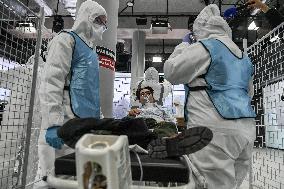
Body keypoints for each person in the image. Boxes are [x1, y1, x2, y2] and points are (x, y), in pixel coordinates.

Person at [164, 4, 256, 189]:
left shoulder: (205, 46)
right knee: (231, 184)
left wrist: (183, 46)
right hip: (246, 130)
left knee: (208, 184)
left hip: (214, 130)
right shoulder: (243, 56)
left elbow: (172, 72)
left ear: (199, 30)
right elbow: (250, 92)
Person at [34, 1, 107, 188]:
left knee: (75, 179)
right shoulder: (66, 40)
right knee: (50, 177)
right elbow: (51, 83)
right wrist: (52, 124)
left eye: (104, 22)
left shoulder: (91, 50)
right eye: (99, 20)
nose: (103, 25)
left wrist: (98, 121)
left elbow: (90, 91)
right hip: (62, 121)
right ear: (87, 17)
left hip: (82, 126)